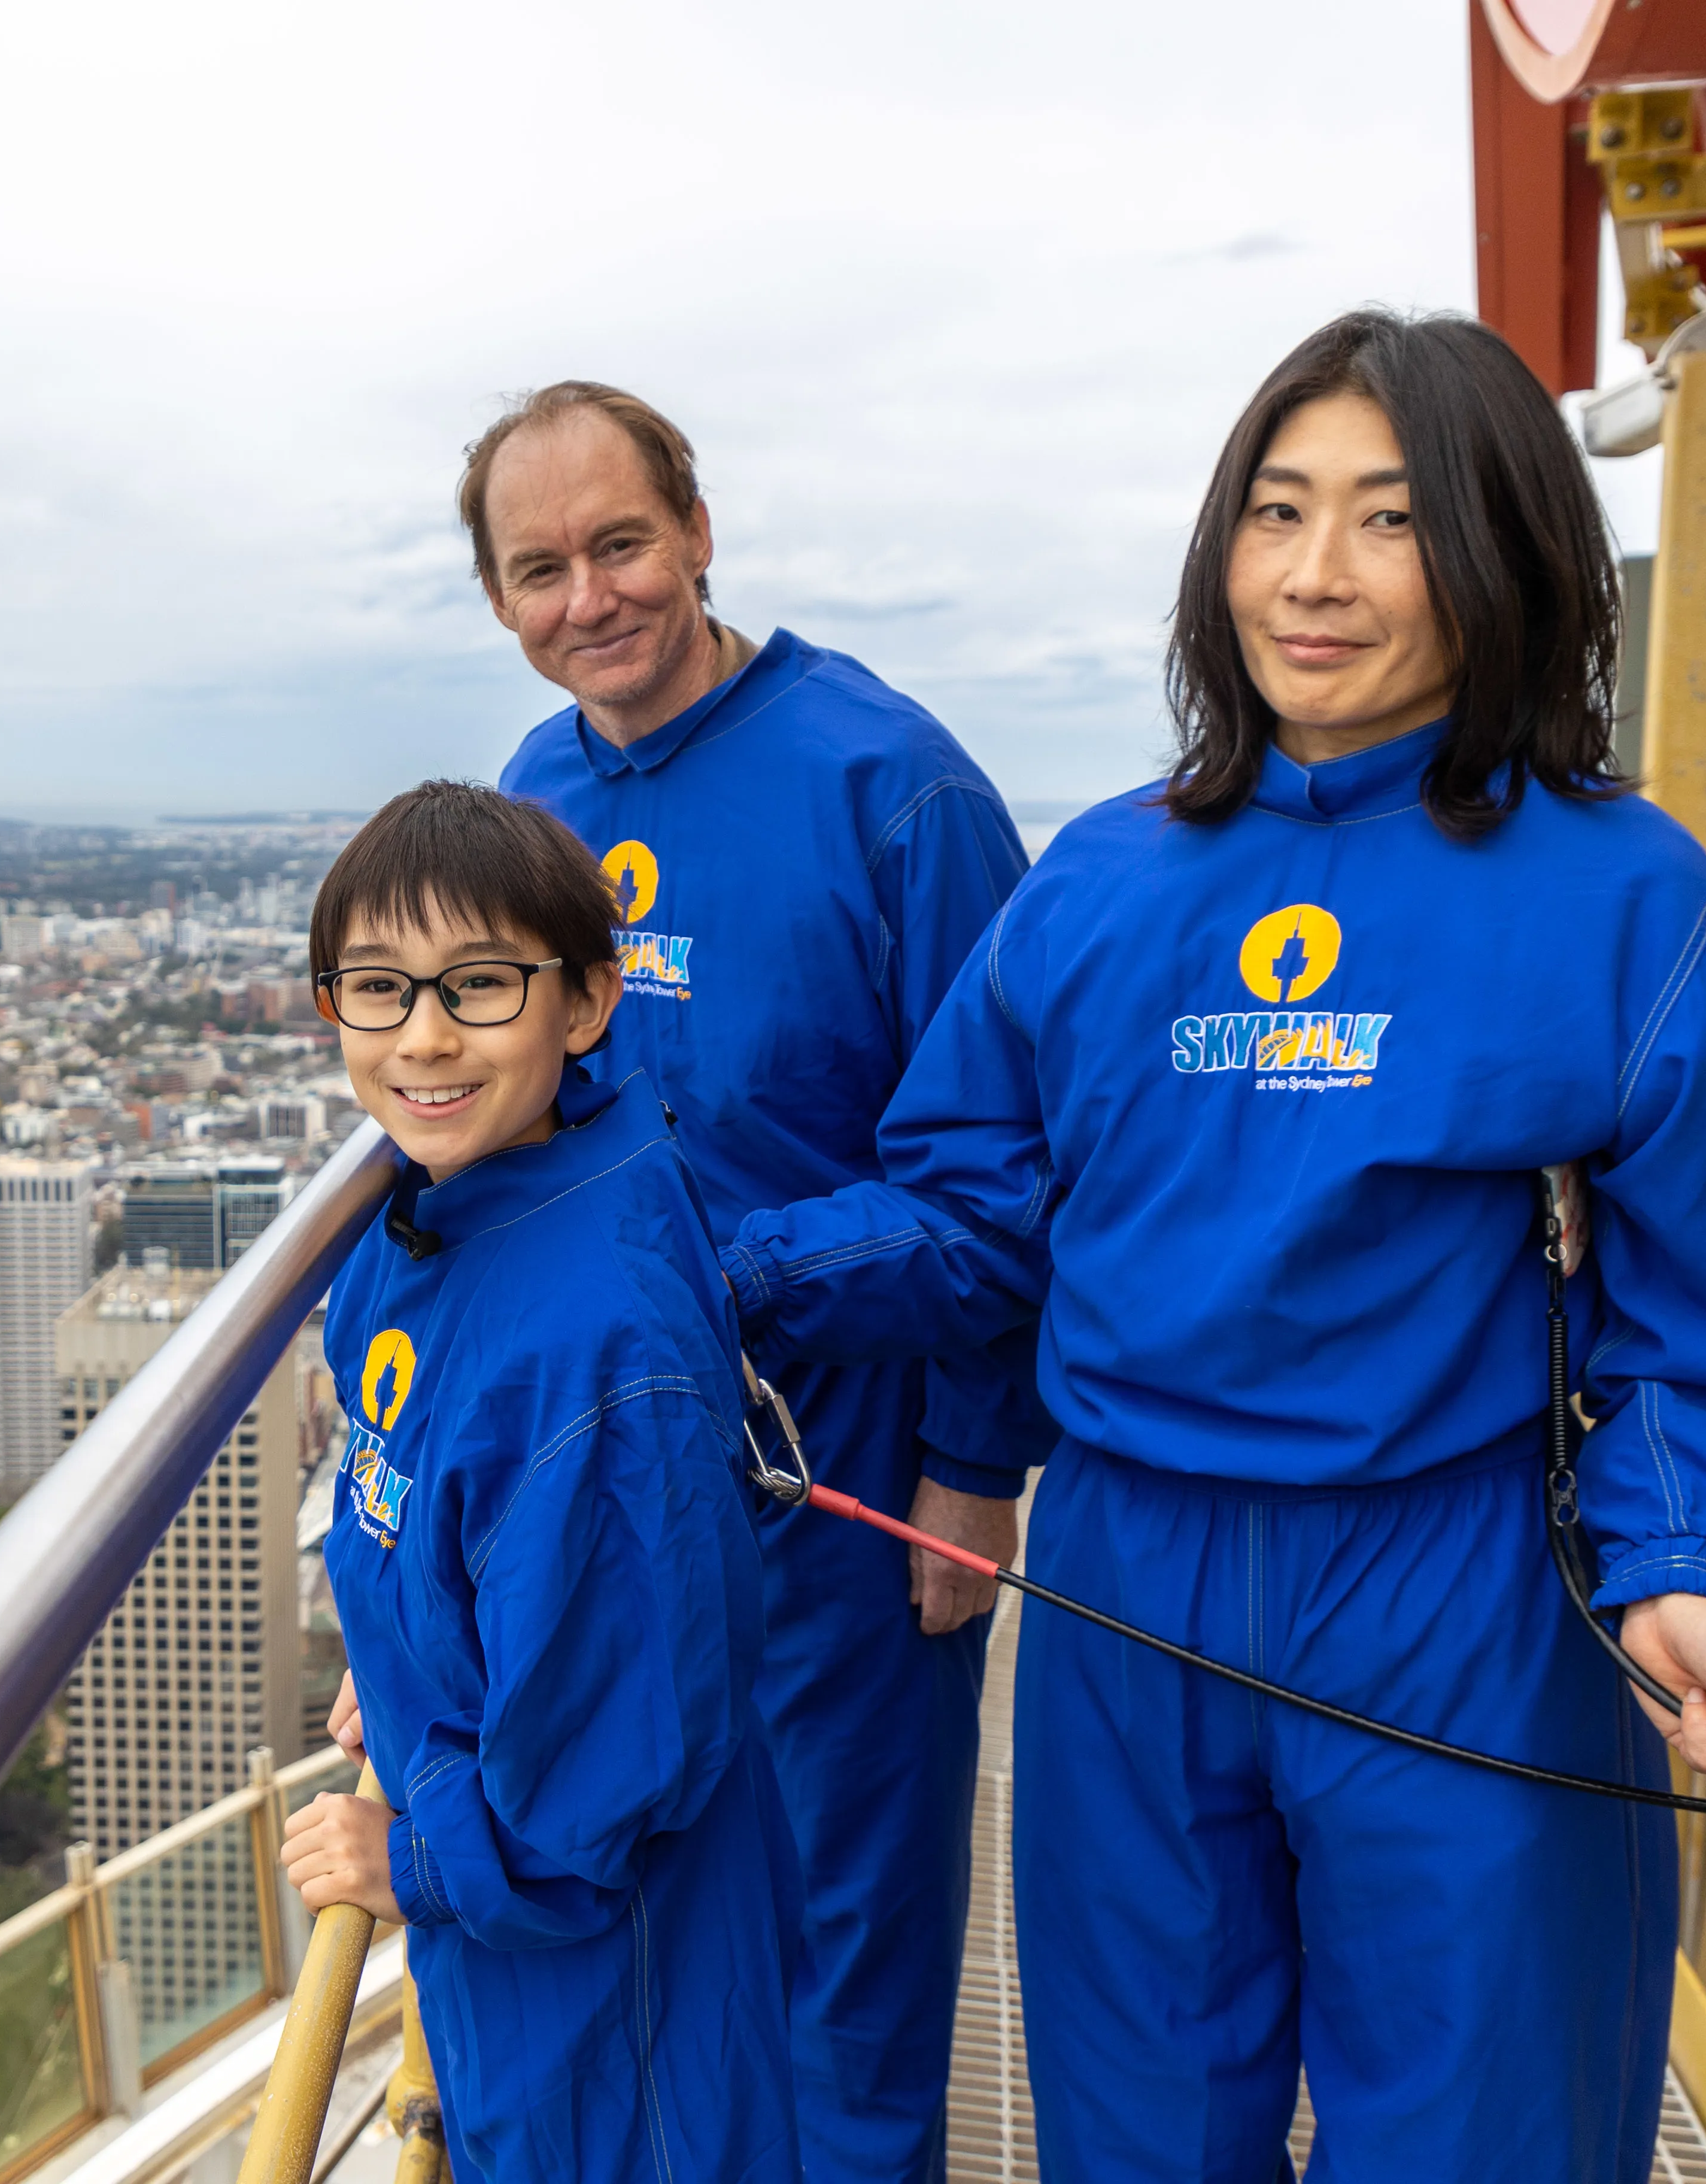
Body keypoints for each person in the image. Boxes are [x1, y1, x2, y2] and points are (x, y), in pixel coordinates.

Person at [719, 310, 1706, 2180]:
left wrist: (1683, 1572)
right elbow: (969, 1217)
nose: (1314, 577)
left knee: (1486, 2129)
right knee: (1136, 2132)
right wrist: (717, 1279)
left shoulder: (1622, 893)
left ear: (1498, 547)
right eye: (1276, 513)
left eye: (1389, 520)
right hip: (1126, 1586)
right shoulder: (1100, 882)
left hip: (1465, 1590)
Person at [476, 381, 1048, 2180]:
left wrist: (978, 1469)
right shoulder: (535, 792)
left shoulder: (894, 784)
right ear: (500, 599)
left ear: (701, 533)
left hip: (852, 1463)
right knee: (652, 1912)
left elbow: (1010, 1155)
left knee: (847, 1951)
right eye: (539, 569)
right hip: (625, 1470)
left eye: (621, 545)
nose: (590, 601)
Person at [278, 781, 804, 2183]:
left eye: (482, 986)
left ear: (585, 1001)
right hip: (531, 1940)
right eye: (378, 990)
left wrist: (413, 1868)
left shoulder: (596, 1348)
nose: (424, 1036)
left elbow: (604, 1778)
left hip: (605, 1964)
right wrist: (397, 1661)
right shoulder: (435, 1212)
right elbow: (461, 1517)